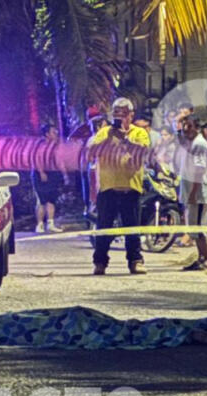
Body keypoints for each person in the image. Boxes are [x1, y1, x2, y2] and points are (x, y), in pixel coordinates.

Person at [86, 97, 151, 275]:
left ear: (131, 115)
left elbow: (143, 151)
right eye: (116, 113)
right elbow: (90, 153)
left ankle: (135, 261)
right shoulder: (105, 132)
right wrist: (109, 138)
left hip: (131, 189)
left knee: (132, 228)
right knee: (104, 228)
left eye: (123, 113)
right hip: (108, 189)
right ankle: (100, 262)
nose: (119, 117)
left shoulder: (139, 132)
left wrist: (125, 139)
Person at [174, 115, 207, 271]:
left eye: (189, 126)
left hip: (198, 195)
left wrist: (193, 193)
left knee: (198, 228)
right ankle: (201, 257)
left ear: (197, 128)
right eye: (184, 126)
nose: (186, 129)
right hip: (192, 193)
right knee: (194, 228)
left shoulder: (199, 144)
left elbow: (200, 169)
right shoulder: (190, 143)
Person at [32, 124, 66, 233]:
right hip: (40, 174)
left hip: (53, 174)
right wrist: (41, 172)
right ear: (47, 134)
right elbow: (36, 159)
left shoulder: (55, 146)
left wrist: (64, 174)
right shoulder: (40, 145)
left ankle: (50, 223)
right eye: (53, 132)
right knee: (42, 200)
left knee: (52, 199)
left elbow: (59, 160)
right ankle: (40, 224)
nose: (56, 134)